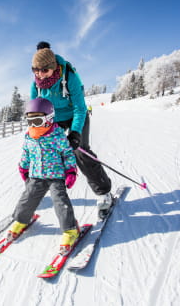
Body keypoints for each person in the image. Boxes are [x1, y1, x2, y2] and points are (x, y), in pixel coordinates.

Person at [30, 41, 112, 212]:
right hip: (54, 119)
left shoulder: (70, 77)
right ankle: (36, 193)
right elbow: (34, 108)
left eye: (44, 70)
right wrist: (36, 128)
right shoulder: (36, 83)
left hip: (75, 116)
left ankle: (104, 192)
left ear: (53, 67)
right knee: (45, 152)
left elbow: (80, 108)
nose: (40, 74)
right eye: (36, 70)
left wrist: (75, 133)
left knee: (80, 152)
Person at [8, 97, 80, 254]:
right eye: (30, 121)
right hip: (36, 175)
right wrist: (23, 167)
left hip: (56, 175)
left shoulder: (57, 136)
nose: (33, 125)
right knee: (27, 198)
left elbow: (68, 154)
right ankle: (21, 220)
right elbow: (26, 153)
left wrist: (70, 170)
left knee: (60, 202)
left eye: (37, 121)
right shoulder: (29, 136)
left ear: (49, 119)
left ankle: (70, 230)